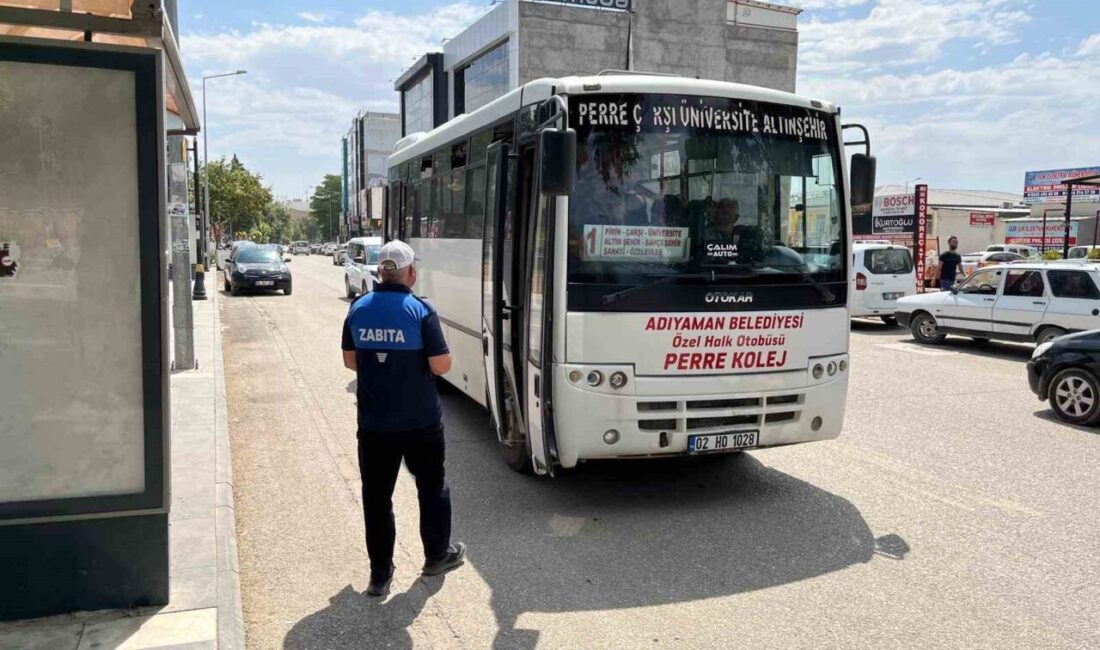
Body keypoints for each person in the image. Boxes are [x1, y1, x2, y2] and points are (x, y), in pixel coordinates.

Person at [341, 240, 466, 597]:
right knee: (432, 487)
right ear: (411, 273)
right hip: (420, 423)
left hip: (374, 425)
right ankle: (436, 556)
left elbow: (351, 361)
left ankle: (380, 574)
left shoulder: (359, 308)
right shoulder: (420, 311)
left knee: (377, 497)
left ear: (381, 271)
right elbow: (441, 365)